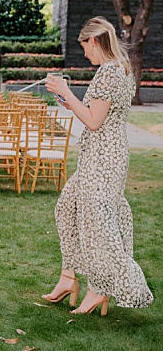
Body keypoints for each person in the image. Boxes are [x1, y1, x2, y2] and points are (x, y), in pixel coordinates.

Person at [44, 17, 150, 315]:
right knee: (67, 207)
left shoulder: (110, 73)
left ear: (95, 41)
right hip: (102, 156)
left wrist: (66, 92)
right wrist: (70, 102)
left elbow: (93, 121)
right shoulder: (117, 69)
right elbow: (94, 113)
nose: (86, 54)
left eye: (86, 47)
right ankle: (68, 277)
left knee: (98, 227)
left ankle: (99, 289)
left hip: (104, 160)